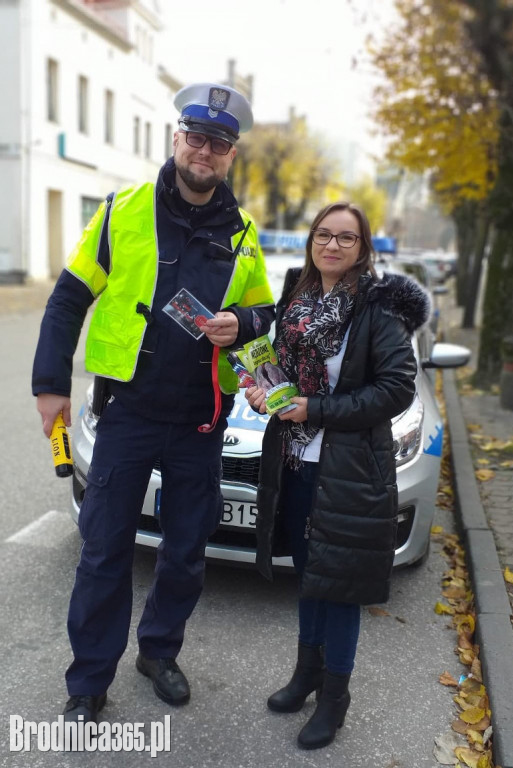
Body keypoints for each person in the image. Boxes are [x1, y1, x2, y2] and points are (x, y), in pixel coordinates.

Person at [32, 82, 275, 723]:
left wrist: (242, 327)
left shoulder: (244, 234)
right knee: (105, 549)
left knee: (186, 550)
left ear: (230, 156)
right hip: (129, 414)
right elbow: (66, 299)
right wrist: (50, 384)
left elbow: (263, 314)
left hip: (201, 419)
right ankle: (88, 681)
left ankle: (159, 651)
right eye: (196, 137)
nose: (205, 151)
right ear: (176, 139)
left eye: (219, 143)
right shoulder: (121, 211)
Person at [245, 202, 430, 750]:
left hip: (349, 470)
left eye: (345, 239)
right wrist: (264, 391)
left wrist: (315, 409)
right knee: (310, 574)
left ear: (363, 248)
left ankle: (334, 697)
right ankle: (307, 674)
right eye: (323, 235)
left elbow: (398, 387)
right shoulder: (298, 298)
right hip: (296, 460)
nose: (331, 245)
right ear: (311, 241)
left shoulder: (378, 308)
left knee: (341, 586)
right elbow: (279, 372)